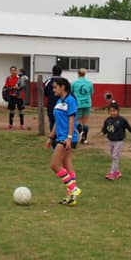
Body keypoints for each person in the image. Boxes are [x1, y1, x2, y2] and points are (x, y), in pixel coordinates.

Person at [46, 77, 81, 205]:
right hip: (60, 137)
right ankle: (71, 198)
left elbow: (72, 120)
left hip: (66, 138)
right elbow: (56, 121)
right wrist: (50, 137)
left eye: (55, 87)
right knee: (67, 165)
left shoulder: (71, 101)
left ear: (63, 87)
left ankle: (73, 188)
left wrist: (69, 138)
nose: (53, 89)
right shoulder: (59, 102)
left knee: (54, 165)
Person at [101, 101, 131, 180]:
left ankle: (112, 173)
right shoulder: (108, 120)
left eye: (114, 111)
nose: (112, 113)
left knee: (115, 156)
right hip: (111, 140)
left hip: (119, 141)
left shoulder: (122, 120)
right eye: (111, 111)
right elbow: (105, 129)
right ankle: (117, 172)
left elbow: (128, 127)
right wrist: (103, 133)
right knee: (114, 156)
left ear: (118, 111)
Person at [44, 65, 69, 132]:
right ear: (61, 72)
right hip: (63, 104)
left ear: (52, 71)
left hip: (51, 104)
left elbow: (45, 93)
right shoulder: (64, 81)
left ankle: (52, 136)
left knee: (52, 121)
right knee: (62, 121)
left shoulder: (48, 81)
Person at [72, 69, 94, 142]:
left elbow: (71, 93)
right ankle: (84, 138)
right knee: (85, 122)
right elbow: (91, 93)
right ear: (85, 74)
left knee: (78, 121)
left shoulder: (74, 83)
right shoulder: (89, 83)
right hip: (87, 103)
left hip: (78, 104)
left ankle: (81, 132)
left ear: (78, 74)